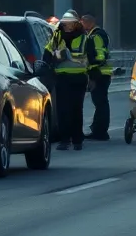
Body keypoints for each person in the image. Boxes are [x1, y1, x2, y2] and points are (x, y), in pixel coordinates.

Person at [43, 10, 89, 150]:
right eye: (65, 24)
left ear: (76, 24)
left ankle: (77, 140)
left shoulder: (84, 38)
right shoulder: (57, 37)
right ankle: (65, 140)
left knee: (76, 110)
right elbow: (47, 52)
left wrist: (63, 54)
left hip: (79, 78)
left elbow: (88, 56)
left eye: (70, 24)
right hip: (62, 77)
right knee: (63, 110)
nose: (67, 26)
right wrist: (47, 64)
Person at [81, 13, 113, 141]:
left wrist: (93, 66)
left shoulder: (96, 35)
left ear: (88, 22)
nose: (81, 26)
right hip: (102, 73)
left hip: (99, 73)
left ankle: (100, 132)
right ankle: (98, 129)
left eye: (82, 23)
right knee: (101, 103)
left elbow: (100, 54)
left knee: (100, 103)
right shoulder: (99, 34)